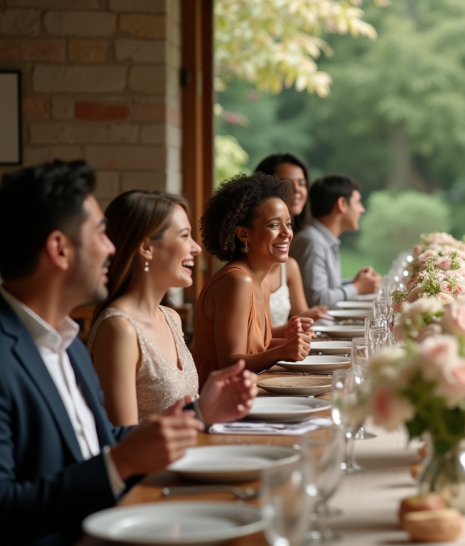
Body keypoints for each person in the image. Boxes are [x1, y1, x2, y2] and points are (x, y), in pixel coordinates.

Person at [0, 160, 256, 546]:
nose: (110, 248)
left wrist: (200, 412)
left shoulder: (67, 342)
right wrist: (119, 465)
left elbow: (103, 439)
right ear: (59, 249)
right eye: (100, 233)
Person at [87, 191, 203, 425]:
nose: (196, 248)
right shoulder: (119, 329)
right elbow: (123, 441)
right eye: (184, 236)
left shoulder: (171, 317)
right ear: (147, 247)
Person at [193, 173, 315, 385]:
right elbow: (230, 364)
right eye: (274, 225)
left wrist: (292, 340)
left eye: (288, 224)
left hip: (249, 388)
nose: (287, 233)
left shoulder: (261, 280)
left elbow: (257, 348)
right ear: (244, 234)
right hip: (217, 397)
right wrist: (282, 351)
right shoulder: (237, 282)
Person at [255, 153, 328, 333]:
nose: (297, 190)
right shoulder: (244, 272)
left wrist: (313, 315)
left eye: (302, 183)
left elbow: (301, 317)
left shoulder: (290, 266)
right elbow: (250, 340)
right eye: (287, 184)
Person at [290, 174, 381, 307]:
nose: (362, 209)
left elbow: (328, 288)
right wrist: (357, 287)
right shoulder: (311, 242)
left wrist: (357, 283)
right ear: (342, 204)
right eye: (357, 202)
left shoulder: (323, 239)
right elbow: (317, 300)